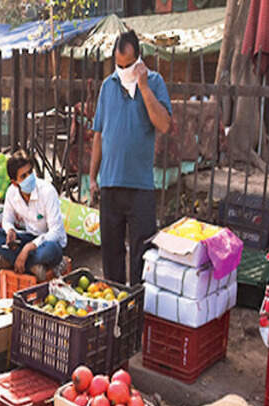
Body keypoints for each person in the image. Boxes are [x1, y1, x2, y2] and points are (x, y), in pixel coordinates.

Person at [89, 31, 172, 286]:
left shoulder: (155, 82)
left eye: (128, 65)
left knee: (141, 255)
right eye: (119, 65)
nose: (123, 70)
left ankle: (136, 309)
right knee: (111, 254)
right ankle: (115, 307)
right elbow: (99, 135)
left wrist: (143, 86)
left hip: (140, 187)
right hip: (110, 184)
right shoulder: (107, 86)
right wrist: (93, 177)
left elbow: (164, 124)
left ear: (139, 60)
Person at [0, 151, 67, 281]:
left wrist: (27, 249)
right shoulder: (11, 193)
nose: (29, 177)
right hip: (29, 237)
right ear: (14, 182)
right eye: (23, 176)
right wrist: (10, 230)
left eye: (30, 172)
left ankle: (14, 261)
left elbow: (56, 232)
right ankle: (33, 266)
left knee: (51, 250)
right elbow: (7, 220)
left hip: (48, 242)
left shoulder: (47, 191)